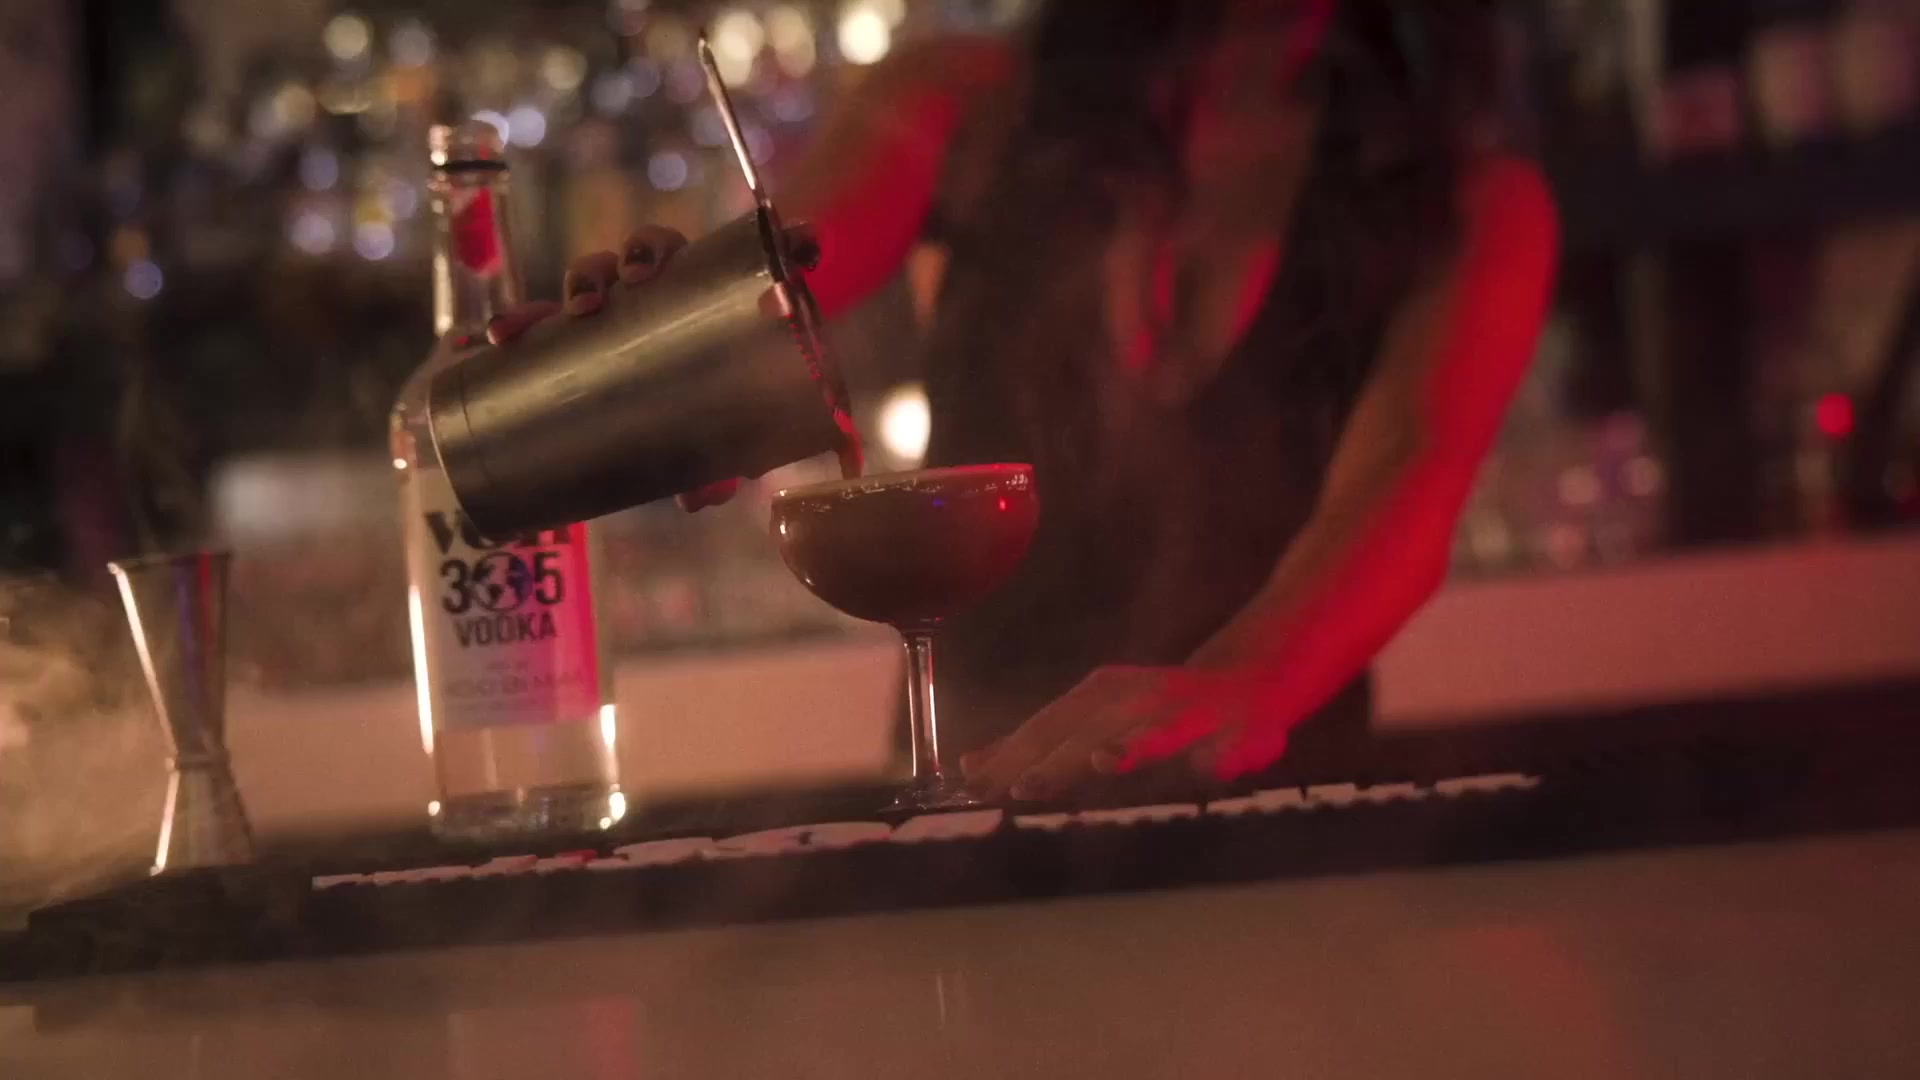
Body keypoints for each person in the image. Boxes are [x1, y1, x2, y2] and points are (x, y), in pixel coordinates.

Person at [487, 0, 1558, 802]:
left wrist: (1237, 686)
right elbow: (785, 287)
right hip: (973, 793)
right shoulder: (968, 103)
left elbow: (1405, 483)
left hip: (1282, 814)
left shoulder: (1473, 205)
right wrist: (657, 349)